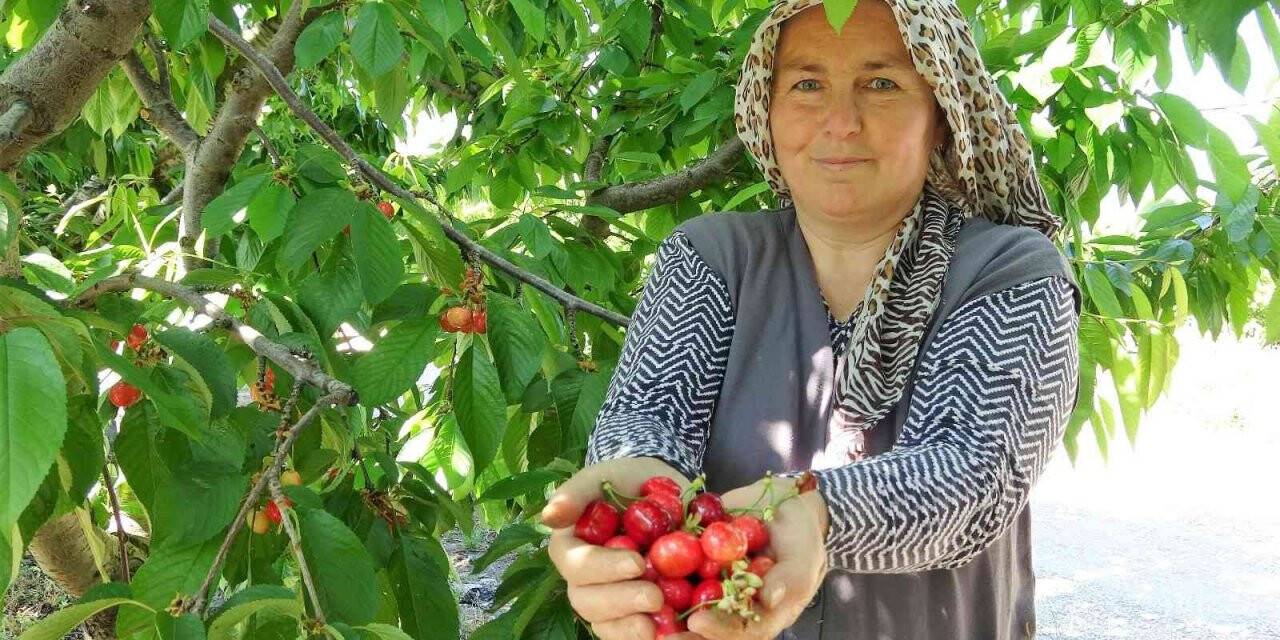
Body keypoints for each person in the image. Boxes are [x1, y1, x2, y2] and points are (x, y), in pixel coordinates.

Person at [541, 0, 1082, 637]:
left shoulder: (1008, 270)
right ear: (764, 113)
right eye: (806, 85)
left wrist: (815, 512)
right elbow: (649, 415)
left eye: (881, 85)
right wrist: (638, 489)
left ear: (942, 116)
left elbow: (969, 476)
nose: (840, 122)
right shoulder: (711, 258)